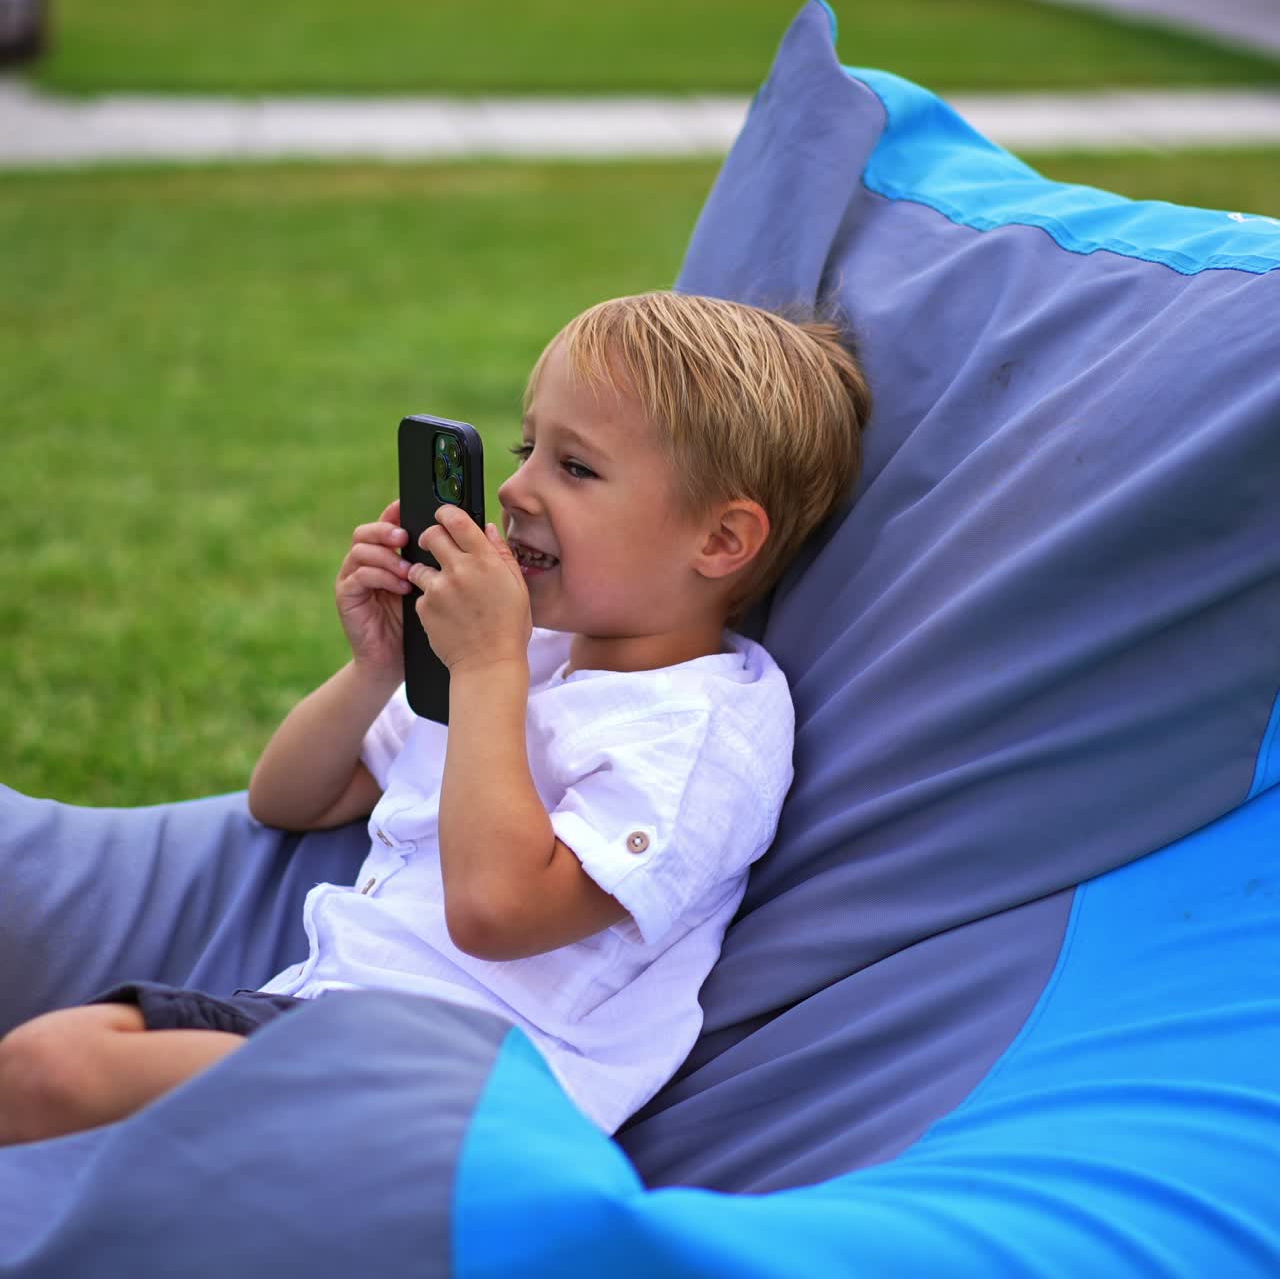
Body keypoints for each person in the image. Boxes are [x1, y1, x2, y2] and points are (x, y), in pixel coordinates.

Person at [0, 291, 872, 1145]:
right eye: (531, 446)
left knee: (60, 1077)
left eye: (576, 467)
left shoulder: (703, 728)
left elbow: (497, 913)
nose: (516, 486)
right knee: (47, 1057)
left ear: (719, 541)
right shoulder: (527, 652)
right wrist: (376, 669)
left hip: (460, 1090)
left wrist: (486, 667)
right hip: (322, 1015)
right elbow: (288, 800)